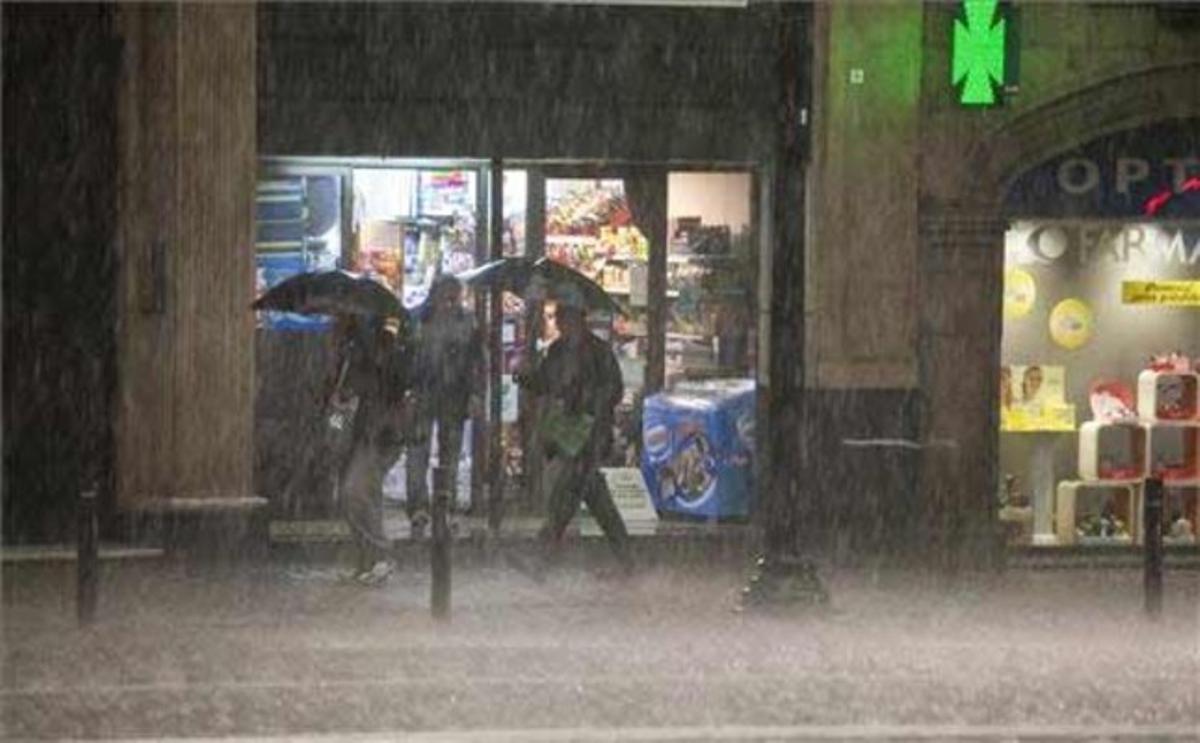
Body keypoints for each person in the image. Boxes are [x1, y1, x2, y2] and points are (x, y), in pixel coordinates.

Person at [511, 291, 634, 578]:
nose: (561, 324)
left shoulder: (599, 351)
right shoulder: (556, 351)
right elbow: (542, 383)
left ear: (578, 320)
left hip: (590, 433)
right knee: (593, 498)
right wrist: (525, 374)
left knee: (567, 494)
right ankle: (625, 559)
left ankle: (544, 558)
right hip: (567, 433)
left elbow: (613, 389)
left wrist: (587, 401)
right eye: (558, 318)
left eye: (565, 318)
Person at [330, 314, 409, 585]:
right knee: (362, 494)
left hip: (378, 435)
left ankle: (379, 555)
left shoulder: (381, 354)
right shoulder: (351, 354)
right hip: (360, 433)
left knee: (355, 492)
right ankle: (367, 558)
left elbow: (394, 390)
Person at [405, 275, 482, 535]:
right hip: (423, 391)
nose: (450, 302)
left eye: (454, 296)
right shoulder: (417, 319)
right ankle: (419, 507)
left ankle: (444, 505)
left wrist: (474, 393)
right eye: (446, 296)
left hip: (453, 394)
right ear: (435, 294)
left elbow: (475, 361)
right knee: (418, 450)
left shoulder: (467, 322)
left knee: (449, 452)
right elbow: (406, 356)